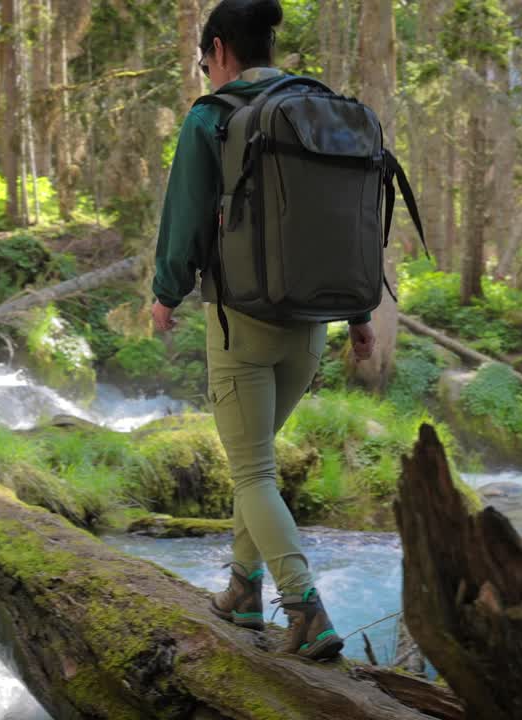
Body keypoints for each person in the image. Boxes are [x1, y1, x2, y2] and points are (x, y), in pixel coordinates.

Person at [150, 0, 375, 662]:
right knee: (259, 468)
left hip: (242, 321)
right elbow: (345, 223)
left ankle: (305, 610)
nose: (206, 70)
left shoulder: (212, 116)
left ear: (220, 50)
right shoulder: (319, 109)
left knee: (251, 471)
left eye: (204, 60)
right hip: (312, 327)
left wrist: (166, 294)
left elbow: (187, 213)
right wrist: (359, 316)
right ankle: (243, 590)